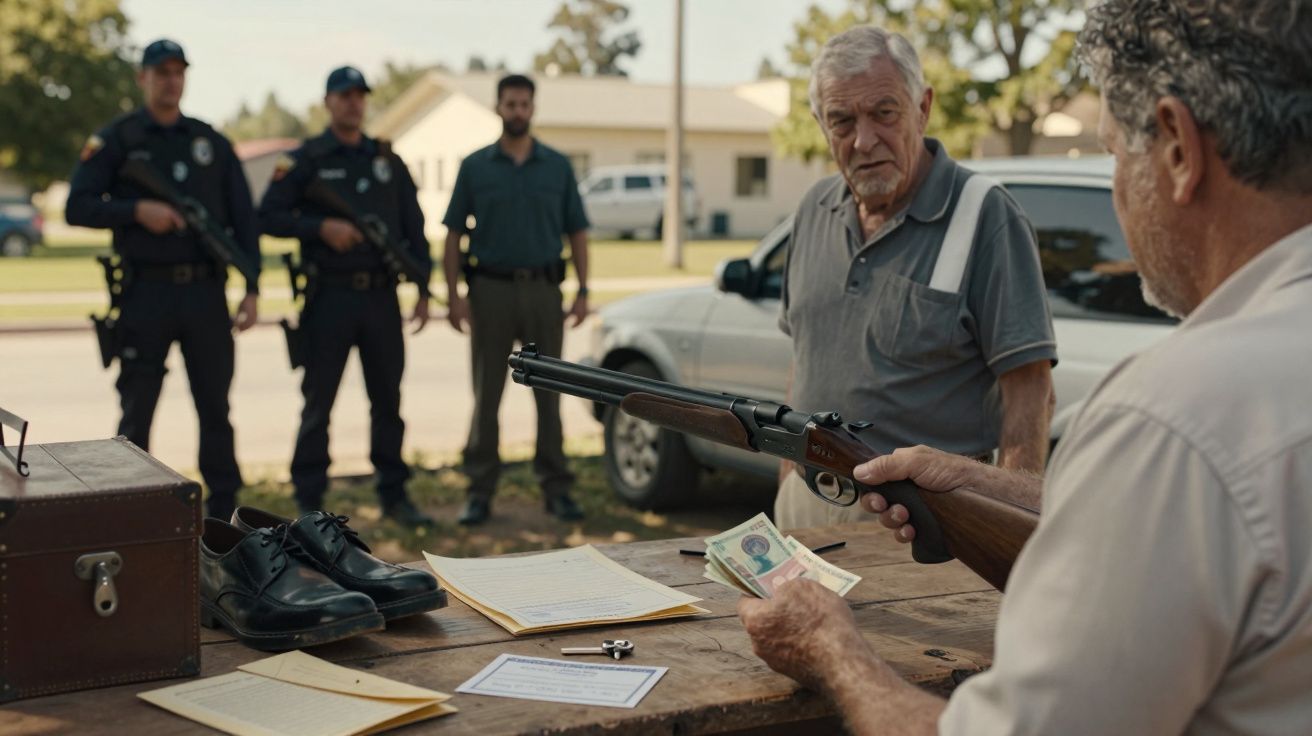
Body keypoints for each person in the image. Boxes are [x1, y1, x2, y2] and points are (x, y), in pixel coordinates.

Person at [739, 3, 1312, 733]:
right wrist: (976, 479)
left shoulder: (1167, 424)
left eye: (1110, 152)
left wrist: (830, 650)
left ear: (1175, 148)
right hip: (822, 509)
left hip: (916, 540)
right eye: (840, 122)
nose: (864, 139)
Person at [773, 26, 1055, 530]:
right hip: (807, 504)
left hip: (924, 521)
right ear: (820, 124)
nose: (864, 140)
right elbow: (803, 359)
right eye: (842, 120)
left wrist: (1009, 525)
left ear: (922, 108)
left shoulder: (986, 216)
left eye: (884, 113)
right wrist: (788, 482)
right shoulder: (812, 210)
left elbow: (1030, 390)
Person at [66, 39, 259, 521]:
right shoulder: (118, 139)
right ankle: (128, 507)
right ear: (142, 78)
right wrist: (136, 211)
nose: (171, 80)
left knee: (215, 406)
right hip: (144, 292)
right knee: (138, 408)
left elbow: (243, 221)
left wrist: (253, 286)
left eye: (178, 72)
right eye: (161, 72)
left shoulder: (210, 142)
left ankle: (224, 514)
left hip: (205, 293)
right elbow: (78, 206)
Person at [258, 66, 433, 527]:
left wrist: (423, 286)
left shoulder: (386, 160)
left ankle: (394, 494)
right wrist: (320, 227)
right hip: (328, 298)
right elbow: (269, 216)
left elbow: (414, 227)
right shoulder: (306, 159)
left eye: (360, 96)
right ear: (328, 102)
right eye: (344, 95)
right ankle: (309, 499)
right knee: (319, 403)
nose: (353, 103)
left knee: (388, 401)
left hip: (381, 299)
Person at [442, 73, 591, 526]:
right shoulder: (475, 167)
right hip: (490, 291)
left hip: (545, 291)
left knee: (549, 393)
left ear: (533, 107)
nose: (518, 111)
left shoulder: (558, 167)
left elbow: (577, 231)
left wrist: (584, 289)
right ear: (498, 107)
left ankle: (556, 488)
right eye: (510, 104)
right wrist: (453, 295)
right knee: (486, 394)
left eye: (525, 103)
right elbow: (452, 235)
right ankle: (480, 491)